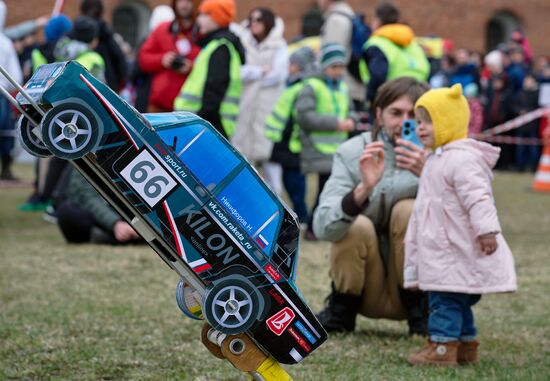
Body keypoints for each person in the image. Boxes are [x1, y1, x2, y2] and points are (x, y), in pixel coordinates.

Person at [405, 84, 517, 366]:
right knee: (457, 296)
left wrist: (487, 230)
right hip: (444, 246)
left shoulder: (462, 159)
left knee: (444, 298)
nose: (420, 128)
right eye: (418, 122)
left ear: (450, 121)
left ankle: (442, 348)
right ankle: (466, 345)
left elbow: (479, 198)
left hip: (455, 247)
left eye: (428, 121)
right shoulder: (437, 157)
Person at [313, 77, 430, 334]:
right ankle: (340, 314)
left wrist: (430, 175)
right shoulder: (354, 151)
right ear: (379, 113)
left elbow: (463, 221)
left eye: (414, 114)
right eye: (396, 113)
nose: (404, 122)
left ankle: (421, 317)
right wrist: (363, 190)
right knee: (357, 225)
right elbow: (323, 228)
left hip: (420, 289)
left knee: (407, 211)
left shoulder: (437, 154)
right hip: (364, 287)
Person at [296, 42, 356, 241]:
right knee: (324, 189)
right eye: (334, 67)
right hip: (318, 146)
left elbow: (351, 111)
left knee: (329, 188)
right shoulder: (312, 86)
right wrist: (336, 123)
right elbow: (305, 116)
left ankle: (319, 225)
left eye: (341, 67)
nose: (338, 71)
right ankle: (314, 226)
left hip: (338, 148)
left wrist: (352, 121)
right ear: (324, 67)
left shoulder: (344, 88)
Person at [231, 7, 288, 195]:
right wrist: (259, 71)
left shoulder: (279, 45)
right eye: (252, 20)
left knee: (269, 159)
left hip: (268, 109)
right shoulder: (242, 42)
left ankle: (275, 201)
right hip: (244, 107)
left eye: (259, 20)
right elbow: (237, 71)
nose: (254, 24)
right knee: (241, 156)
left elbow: (278, 75)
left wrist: (253, 73)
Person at [173, 0, 245, 140]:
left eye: (204, 15)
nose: (199, 19)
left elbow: (214, 90)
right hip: (204, 124)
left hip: (207, 125)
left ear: (216, 18)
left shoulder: (221, 48)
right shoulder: (216, 45)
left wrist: (200, 121)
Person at [265, 46, 316, 223]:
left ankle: (302, 215)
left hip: (291, 142)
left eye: (292, 64)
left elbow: (297, 117)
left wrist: (287, 134)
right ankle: (299, 213)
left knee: (294, 182)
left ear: (300, 66)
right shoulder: (293, 84)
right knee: (288, 181)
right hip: (283, 140)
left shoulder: (301, 87)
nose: (289, 66)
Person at [361, 2, 430, 105]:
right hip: (418, 97)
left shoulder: (377, 43)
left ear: (378, 21)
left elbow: (378, 76)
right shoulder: (412, 43)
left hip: (390, 100)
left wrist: (371, 100)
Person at [138, 0, 201, 113]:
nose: (184, 4)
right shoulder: (163, 29)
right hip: (159, 105)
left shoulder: (201, 33)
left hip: (188, 108)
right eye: (180, 1)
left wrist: (191, 67)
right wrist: (162, 59)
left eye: (189, 1)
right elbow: (143, 59)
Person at [56, 168, 141, 244]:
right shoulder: (84, 157)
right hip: (101, 216)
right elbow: (88, 198)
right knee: (66, 212)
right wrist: (115, 223)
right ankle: (117, 236)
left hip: (131, 215)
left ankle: (132, 234)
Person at [317, 0, 366, 110]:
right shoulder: (348, 15)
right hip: (353, 88)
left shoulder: (336, 20)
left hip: (343, 90)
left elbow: (331, 58)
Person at [79, 0, 128, 91]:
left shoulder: (76, 29)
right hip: (106, 82)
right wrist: (121, 79)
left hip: (78, 81)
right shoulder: (104, 31)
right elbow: (117, 55)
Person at [0, 1, 23, 181]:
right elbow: (15, 76)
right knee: (5, 133)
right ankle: (5, 170)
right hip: (1, 95)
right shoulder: (5, 43)